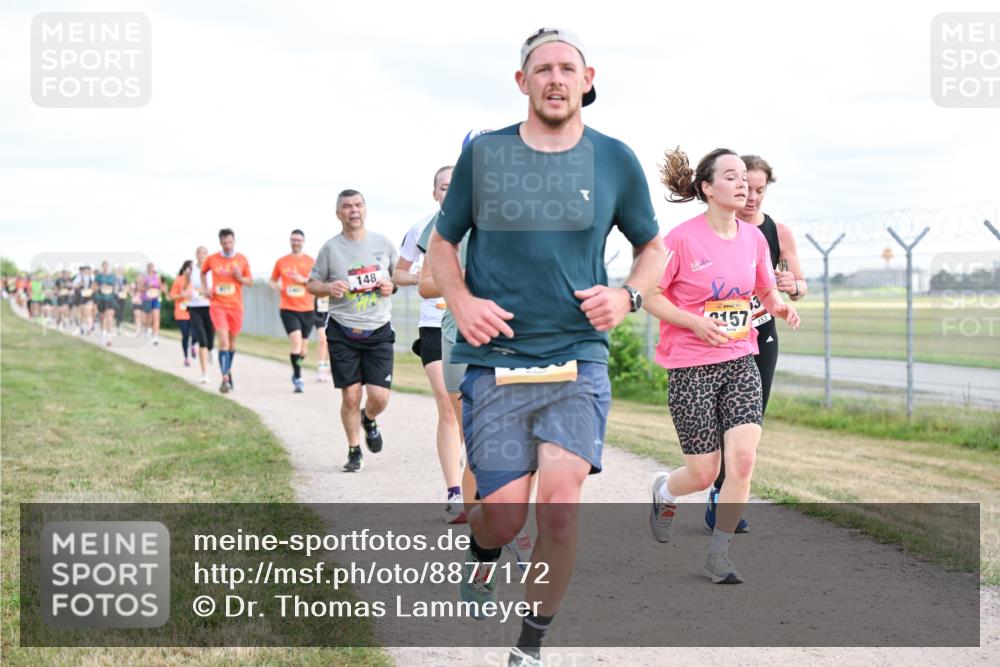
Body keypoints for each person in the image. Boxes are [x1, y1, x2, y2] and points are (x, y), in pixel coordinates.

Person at [427, 29, 665, 665]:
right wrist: (462, 302)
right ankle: (482, 552)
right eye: (542, 69)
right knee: (502, 521)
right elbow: (444, 244)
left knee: (560, 508)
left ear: (588, 79)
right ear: (522, 82)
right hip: (499, 363)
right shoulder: (487, 156)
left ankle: (530, 645)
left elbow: (652, 248)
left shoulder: (615, 160)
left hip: (577, 360)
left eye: (567, 68)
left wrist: (629, 297)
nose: (555, 79)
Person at [646, 147, 800, 585]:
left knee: (744, 460)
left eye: (746, 180)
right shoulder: (680, 240)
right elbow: (652, 297)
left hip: (739, 360)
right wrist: (695, 321)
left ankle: (719, 554)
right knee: (703, 472)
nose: (743, 186)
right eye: (731, 177)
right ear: (707, 188)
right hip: (691, 365)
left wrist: (780, 308)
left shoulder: (753, 238)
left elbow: (764, 292)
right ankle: (664, 490)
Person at [704, 154, 809, 533]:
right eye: (746, 188)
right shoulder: (715, 229)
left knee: (747, 421)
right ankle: (713, 480)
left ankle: (723, 494)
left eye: (760, 191)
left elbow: (800, 285)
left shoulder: (776, 232)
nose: (752, 198)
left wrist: (791, 286)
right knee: (715, 420)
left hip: (761, 336)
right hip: (720, 337)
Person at [307, 190, 398, 473]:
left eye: (358, 205)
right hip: (343, 330)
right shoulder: (330, 249)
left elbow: (398, 277)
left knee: (380, 397)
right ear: (339, 214)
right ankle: (354, 449)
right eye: (347, 206)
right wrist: (328, 287)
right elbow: (312, 283)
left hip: (378, 329)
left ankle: (369, 419)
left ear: (365, 210)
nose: (353, 210)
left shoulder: (383, 244)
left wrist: (391, 286)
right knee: (350, 395)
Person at [397, 165, 467, 522]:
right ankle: (456, 491)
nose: (449, 191)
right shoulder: (426, 228)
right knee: (446, 404)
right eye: (442, 186)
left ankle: (477, 487)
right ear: (434, 192)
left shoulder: (482, 221)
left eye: (454, 185)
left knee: (472, 415)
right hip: (434, 324)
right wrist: (435, 277)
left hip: (471, 324)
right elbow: (405, 274)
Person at [203, 229, 252, 393]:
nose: (228, 245)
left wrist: (239, 277)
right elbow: (203, 272)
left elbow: (249, 281)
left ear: (234, 241)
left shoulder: (242, 259)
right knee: (223, 342)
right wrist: (206, 289)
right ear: (220, 243)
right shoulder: (212, 259)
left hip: (236, 306)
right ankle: (224, 378)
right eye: (225, 243)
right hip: (218, 305)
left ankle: (228, 374)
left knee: (232, 344)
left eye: (230, 242)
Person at [270, 229, 316, 393]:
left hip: (307, 309)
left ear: (303, 242)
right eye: (293, 239)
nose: (296, 242)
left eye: (298, 240)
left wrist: (303, 280)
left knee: (304, 349)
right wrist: (277, 286)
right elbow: (273, 281)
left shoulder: (311, 261)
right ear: (290, 241)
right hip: (288, 308)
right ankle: (298, 378)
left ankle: (297, 369)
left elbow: (316, 283)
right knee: (296, 342)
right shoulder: (281, 262)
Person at [188, 246, 216, 383]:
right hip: (195, 308)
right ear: (195, 254)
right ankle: (204, 373)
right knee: (202, 340)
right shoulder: (191, 269)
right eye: (198, 252)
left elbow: (214, 286)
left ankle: (211, 349)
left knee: (210, 338)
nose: (201, 255)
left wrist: (207, 291)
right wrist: (192, 292)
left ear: (207, 255)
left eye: (204, 252)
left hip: (210, 307)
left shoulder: (212, 269)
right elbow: (186, 287)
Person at [169, 261, 196, 366]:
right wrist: (181, 295)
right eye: (188, 268)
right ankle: (186, 357)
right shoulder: (178, 280)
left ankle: (193, 344)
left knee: (196, 333)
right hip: (181, 312)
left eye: (192, 269)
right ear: (184, 269)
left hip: (194, 311)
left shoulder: (196, 281)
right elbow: (172, 296)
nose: (190, 271)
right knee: (185, 335)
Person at [137, 263, 162, 345]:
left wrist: (159, 291)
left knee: (156, 317)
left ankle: (155, 337)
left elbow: (161, 287)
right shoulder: (144, 277)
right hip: (146, 299)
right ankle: (147, 329)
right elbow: (139, 288)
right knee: (148, 318)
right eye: (149, 267)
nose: (151, 269)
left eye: (152, 267)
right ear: (147, 268)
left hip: (155, 299)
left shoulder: (157, 277)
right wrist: (147, 287)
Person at [94, 261, 117, 346]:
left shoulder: (112, 276)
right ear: (102, 267)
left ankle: (109, 337)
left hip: (111, 299)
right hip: (101, 299)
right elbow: (94, 287)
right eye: (104, 266)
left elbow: (115, 287)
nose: (106, 267)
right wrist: (100, 287)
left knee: (109, 318)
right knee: (102, 318)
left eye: (107, 266)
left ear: (108, 267)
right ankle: (103, 333)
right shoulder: (98, 276)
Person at [72, 265, 96, 336]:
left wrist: (93, 288)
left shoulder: (93, 277)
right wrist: (79, 285)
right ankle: (81, 328)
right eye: (85, 270)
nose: (87, 272)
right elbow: (74, 286)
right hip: (80, 297)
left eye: (88, 270)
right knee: (81, 314)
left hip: (89, 297)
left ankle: (89, 329)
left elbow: (96, 286)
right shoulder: (79, 277)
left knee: (88, 312)